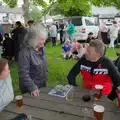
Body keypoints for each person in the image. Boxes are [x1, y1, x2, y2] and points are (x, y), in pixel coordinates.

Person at [18, 23, 48, 96]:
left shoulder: (42, 47)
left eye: (44, 38)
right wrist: (32, 87)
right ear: (34, 40)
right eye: (42, 39)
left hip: (41, 84)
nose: (44, 41)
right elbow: (23, 73)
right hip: (30, 88)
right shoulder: (24, 52)